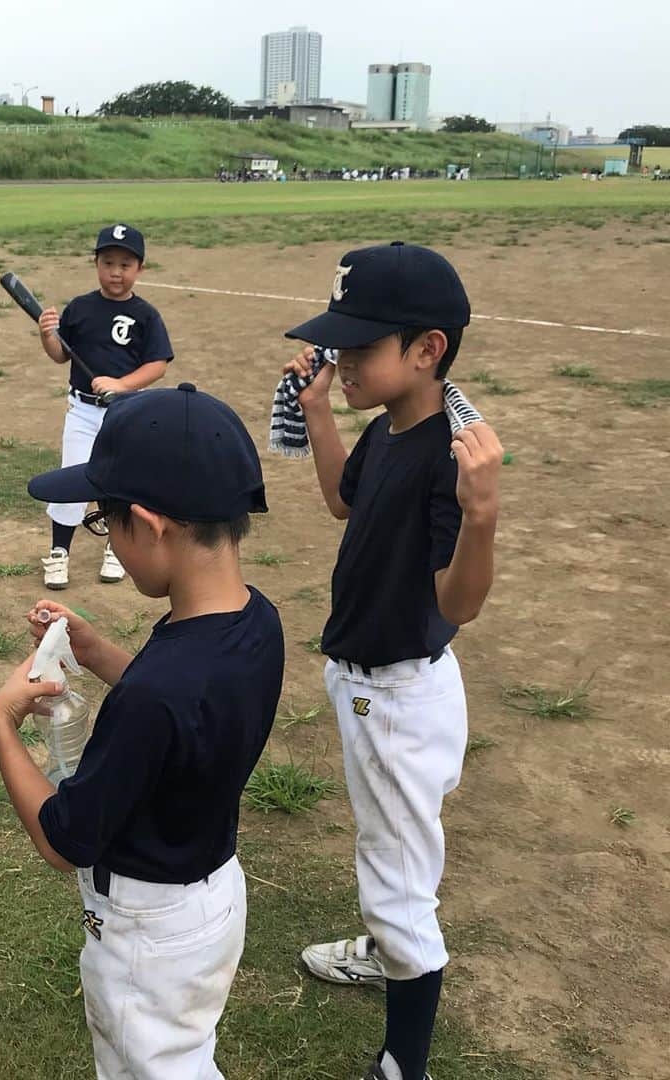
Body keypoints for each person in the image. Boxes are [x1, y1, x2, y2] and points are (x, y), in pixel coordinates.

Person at [0, 383, 284, 1078]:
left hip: (148, 930)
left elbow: (66, 840)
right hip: (210, 897)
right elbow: (184, 710)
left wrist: (1, 726)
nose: (105, 534)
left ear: (148, 526)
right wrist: (94, 652)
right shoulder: (252, 621)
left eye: (105, 523)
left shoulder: (155, 693)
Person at [280, 243, 503, 1080]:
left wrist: (480, 515)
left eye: (357, 349)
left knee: (398, 881)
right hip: (369, 682)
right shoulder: (390, 429)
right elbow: (344, 499)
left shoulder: (450, 452)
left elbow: (459, 604)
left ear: (427, 350)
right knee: (390, 845)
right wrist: (321, 412)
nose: (340, 362)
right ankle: (387, 950)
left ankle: (403, 1063)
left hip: (401, 693)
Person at [36, 224, 172, 590]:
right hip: (82, 410)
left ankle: (116, 548)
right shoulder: (80, 308)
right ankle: (59, 553)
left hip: (126, 411)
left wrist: (121, 385)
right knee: (74, 476)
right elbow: (60, 355)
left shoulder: (145, 315)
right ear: (96, 264)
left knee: (121, 482)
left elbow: (157, 363)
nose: (116, 271)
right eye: (108, 262)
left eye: (125, 264)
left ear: (140, 269)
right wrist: (47, 335)